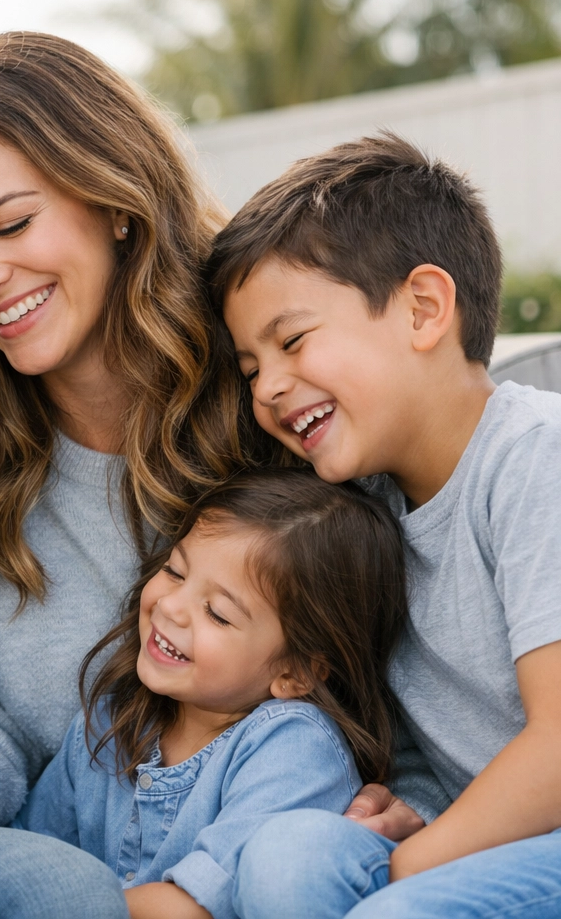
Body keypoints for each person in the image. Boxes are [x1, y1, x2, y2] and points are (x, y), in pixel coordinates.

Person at [0, 31, 251, 919]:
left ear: (113, 199)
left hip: (268, 842)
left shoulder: (265, 380)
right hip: (47, 863)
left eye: (13, 223)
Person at [214, 133, 561, 917]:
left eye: (292, 340)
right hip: (487, 841)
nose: (269, 388)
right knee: (286, 858)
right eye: (249, 368)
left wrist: (420, 861)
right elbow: (424, 733)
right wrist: (409, 809)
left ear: (423, 309)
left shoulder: (534, 458)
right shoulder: (366, 513)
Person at [18, 469, 407, 919]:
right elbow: (31, 856)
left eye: (218, 614)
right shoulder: (109, 717)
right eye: (174, 571)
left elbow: (194, 910)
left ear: (296, 672)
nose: (170, 606)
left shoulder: (294, 746)